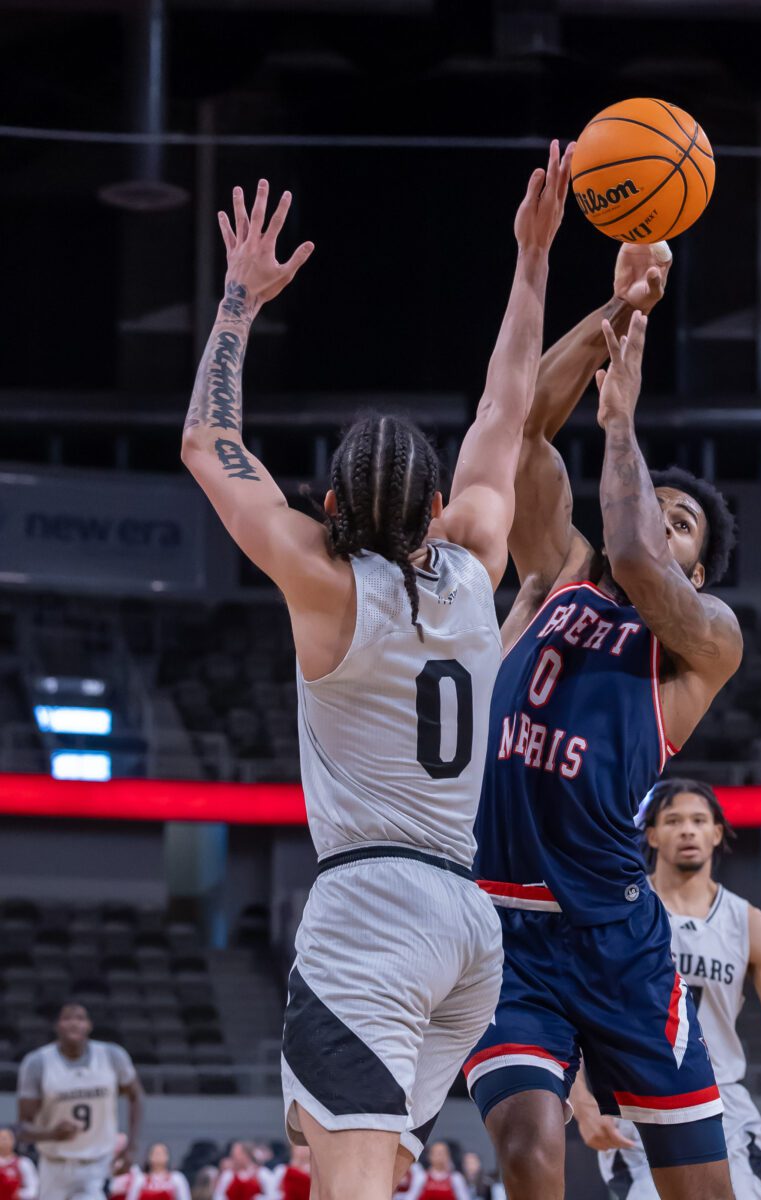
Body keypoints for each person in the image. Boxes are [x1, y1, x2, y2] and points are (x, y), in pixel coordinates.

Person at [181, 145, 573, 1200]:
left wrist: (237, 302)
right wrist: (531, 260)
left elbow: (207, 441)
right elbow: (504, 408)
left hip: (373, 910)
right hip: (466, 924)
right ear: (435, 512)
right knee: (326, 1138)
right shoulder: (475, 560)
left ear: (330, 512)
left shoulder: (323, 583)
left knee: (347, 1179)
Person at [465, 241, 743, 1200]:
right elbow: (527, 428)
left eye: (684, 522)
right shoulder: (557, 573)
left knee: (698, 1189)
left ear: (698, 574)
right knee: (532, 1148)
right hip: (505, 927)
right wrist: (619, 310)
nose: (661, 520)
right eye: (658, 505)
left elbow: (635, 550)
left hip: (618, 941)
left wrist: (622, 427)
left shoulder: (705, 641)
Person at [571, 778, 761, 1199]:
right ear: (651, 834)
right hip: (640, 1102)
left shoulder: (751, 925)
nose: (687, 830)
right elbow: (575, 1010)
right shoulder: (620, 912)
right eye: (673, 820)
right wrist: (581, 1099)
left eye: (698, 820)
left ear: (716, 832)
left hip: (724, 1104)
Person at [16, 1002, 143, 1200]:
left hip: (96, 1164)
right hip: (54, 1165)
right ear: (57, 1026)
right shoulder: (37, 1063)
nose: (74, 1023)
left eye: (80, 1018)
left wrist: (132, 1147)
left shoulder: (112, 1056)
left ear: (89, 1025)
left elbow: (136, 1096)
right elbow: (23, 1128)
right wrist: (52, 1133)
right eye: (67, 1018)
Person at [403, 1142, 468, 1200]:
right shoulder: (421, 1177)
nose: (440, 1156)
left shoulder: (456, 1178)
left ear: (448, 1156)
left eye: (443, 1153)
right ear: (430, 1156)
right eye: (437, 1153)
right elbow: (411, 1197)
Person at [0, 1127, 38, 1200]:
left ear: (13, 1141)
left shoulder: (23, 1163)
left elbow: (33, 1188)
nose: (2, 1141)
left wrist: (20, 1194)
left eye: (5, 1138)